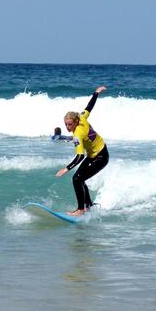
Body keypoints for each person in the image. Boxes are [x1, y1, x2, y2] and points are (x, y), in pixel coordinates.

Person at [56, 86, 109, 216]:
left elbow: (79, 156)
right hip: (94, 154)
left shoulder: (78, 134)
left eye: (70, 124)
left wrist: (66, 168)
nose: (68, 127)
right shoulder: (81, 116)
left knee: (77, 179)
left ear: (75, 122)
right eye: (66, 124)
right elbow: (89, 107)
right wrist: (96, 93)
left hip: (101, 157)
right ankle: (88, 206)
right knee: (80, 179)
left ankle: (80, 210)